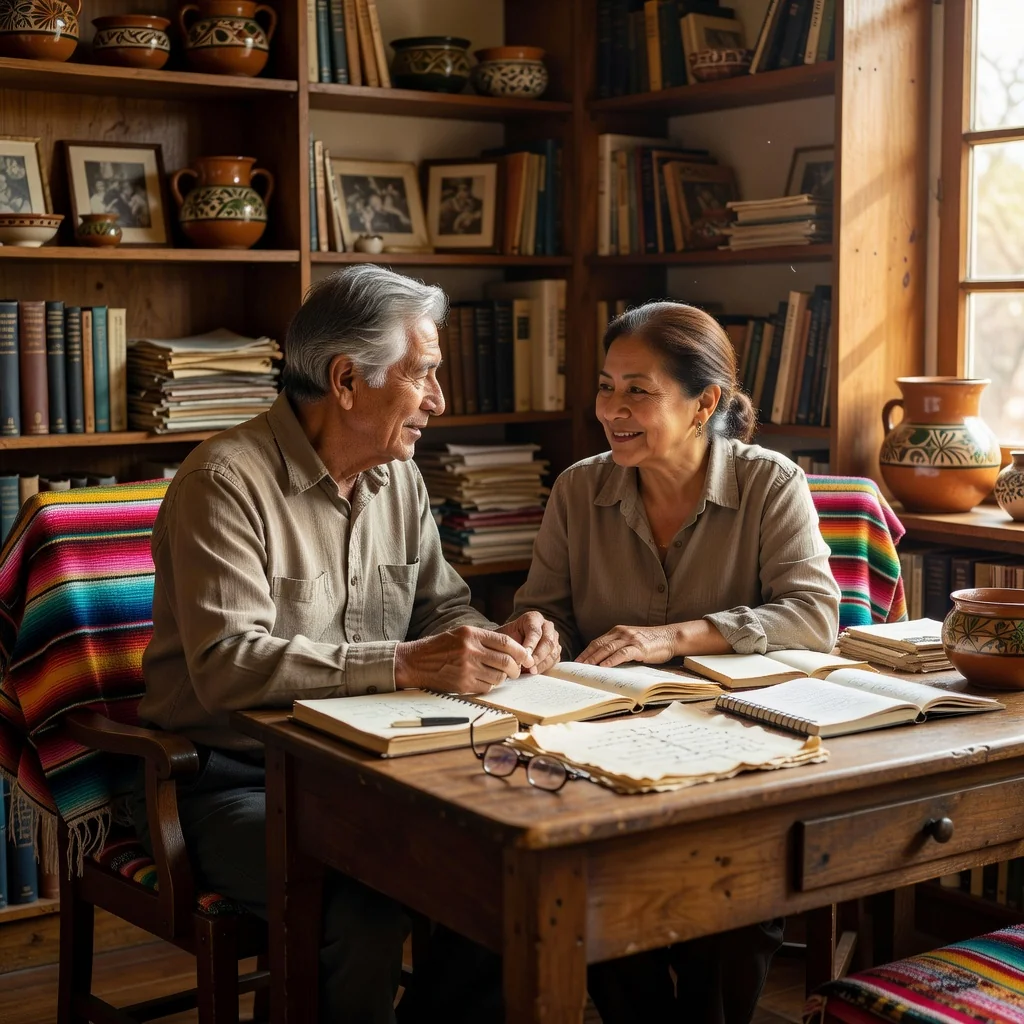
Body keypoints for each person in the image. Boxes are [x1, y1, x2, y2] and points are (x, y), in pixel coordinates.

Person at [133, 264, 560, 1024]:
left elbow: (441, 609)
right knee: (359, 903)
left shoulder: (399, 479)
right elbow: (231, 669)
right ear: (346, 381)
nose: (439, 401)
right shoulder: (223, 483)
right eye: (423, 375)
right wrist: (401, 664)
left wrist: (493, 643)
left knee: (503, 877)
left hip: (372, 769)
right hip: (231, 780)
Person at [512, 300, 841, 1024]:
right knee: (587, 895)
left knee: (736, 906)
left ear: (705, 404)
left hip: (738, 750)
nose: (612, 409)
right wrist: (536, 627)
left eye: (638, 390)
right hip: (604, 754)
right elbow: (548, 610)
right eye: (604, 385)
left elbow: (815, 616)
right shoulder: (577, 489)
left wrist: (675, 637)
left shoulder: (770, 483)